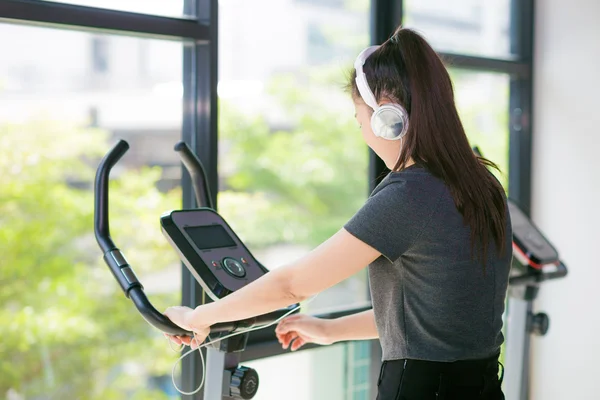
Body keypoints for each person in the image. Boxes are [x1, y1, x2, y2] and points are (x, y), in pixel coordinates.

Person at [164, 26, 512, 400]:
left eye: (360, 115)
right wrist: (329, 330)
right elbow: (431, 323)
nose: (360, 126)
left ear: (388, 116)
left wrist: (196, 317)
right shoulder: (483, 186)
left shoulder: (410, 193)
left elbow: (292, 285)